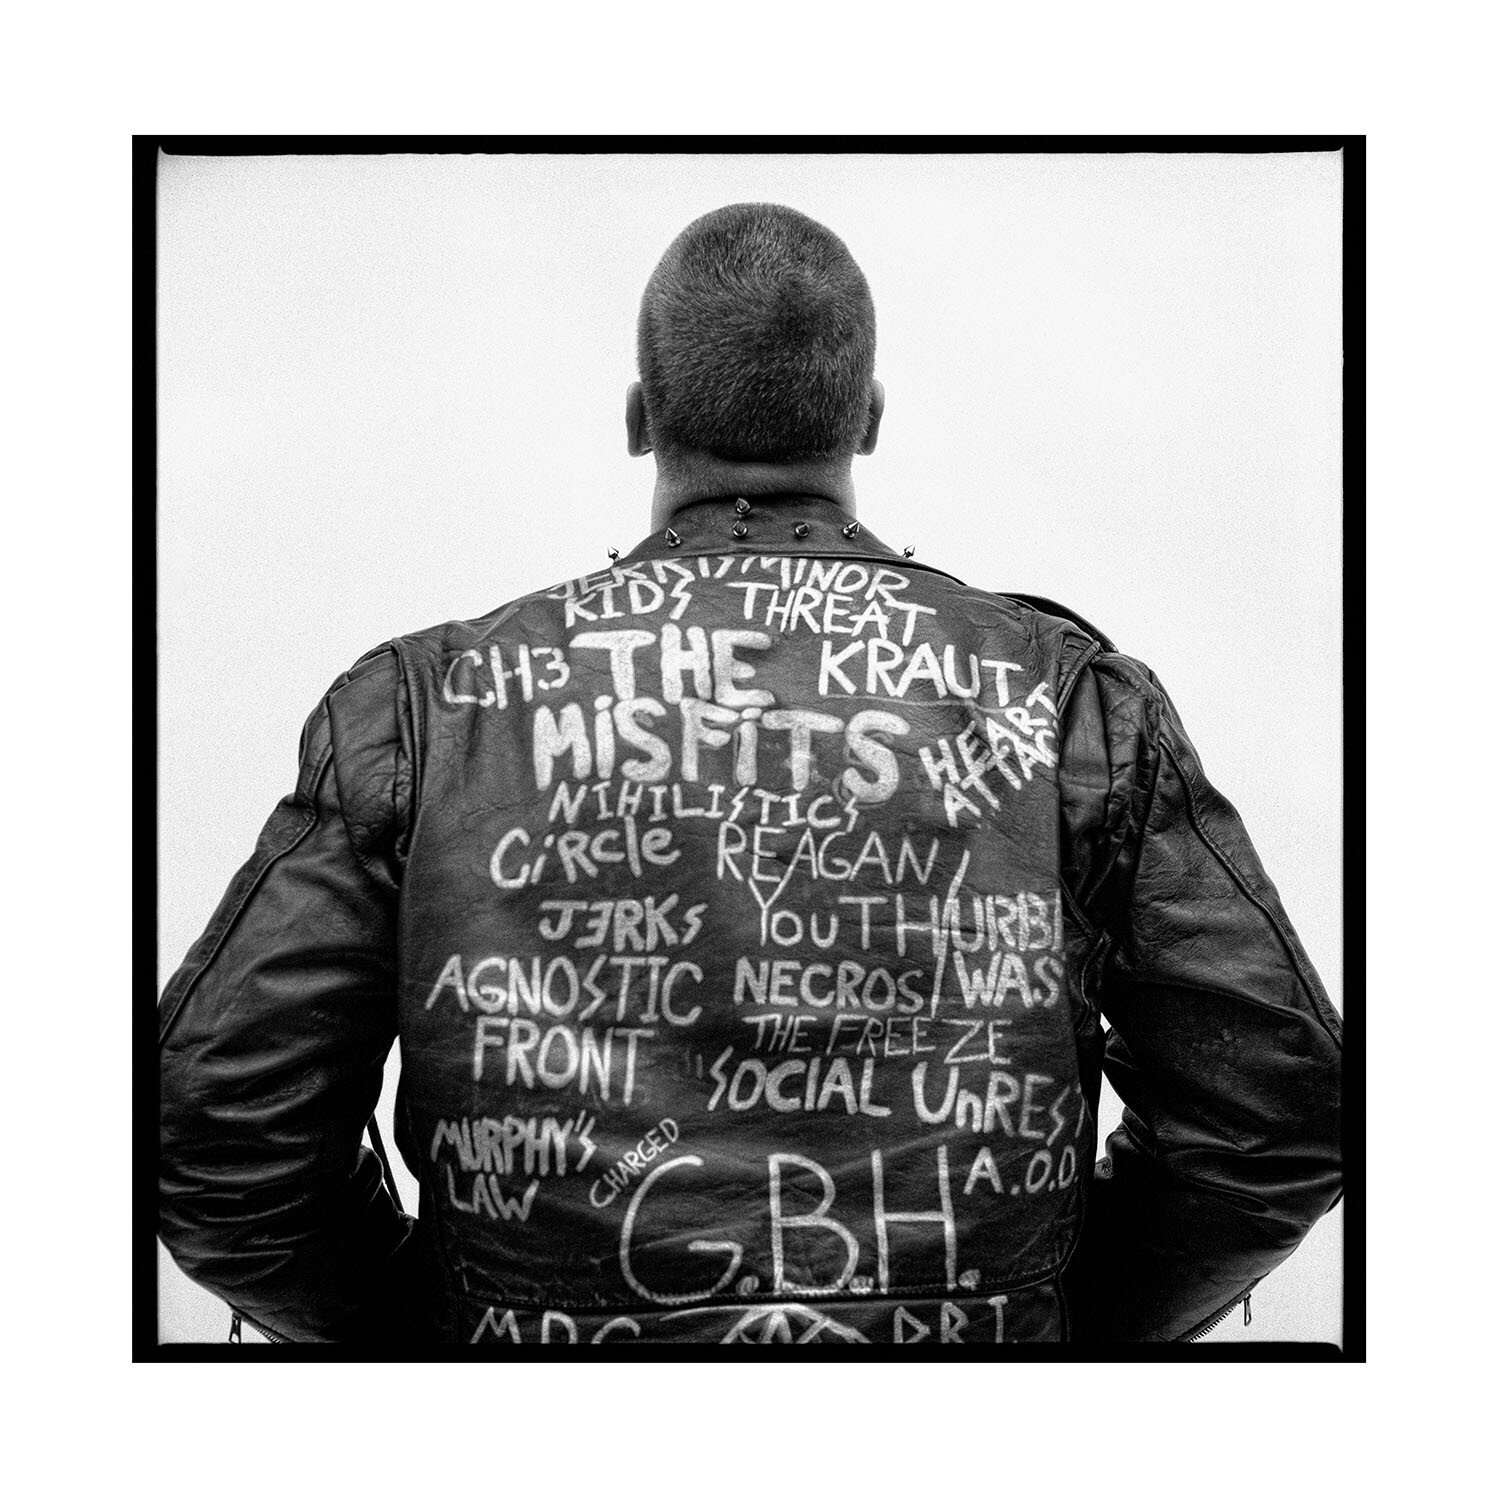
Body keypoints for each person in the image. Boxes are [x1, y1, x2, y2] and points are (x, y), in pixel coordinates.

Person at [159, 202, 1343, 1346]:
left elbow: (213, 1126)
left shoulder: (425, 710)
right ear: (865, 418)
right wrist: (1066, 1329)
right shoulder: (1068, 703)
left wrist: (414, 1335)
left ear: (640, 416)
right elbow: (1275, 1114)